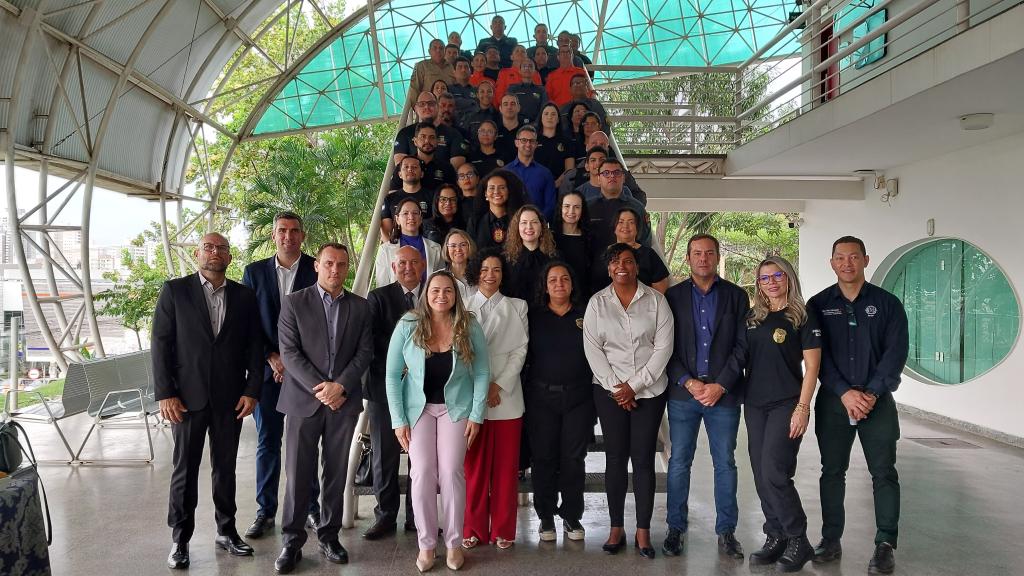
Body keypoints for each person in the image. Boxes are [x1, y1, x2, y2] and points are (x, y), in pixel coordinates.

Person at [153, 232, 263, 570]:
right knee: (184, 469)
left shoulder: (244, 296)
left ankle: (226, 531)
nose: (215, 252)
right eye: (208, 247)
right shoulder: (175, 291)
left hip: (230, 398)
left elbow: (255, 346)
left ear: (229, 257)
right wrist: (165, 393)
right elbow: (160, 343)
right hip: (186, 399)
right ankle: (180, 539)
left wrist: (252, 390)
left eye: (222, 248)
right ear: (198, 254)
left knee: (225, 468)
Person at [807, 236, 908, 575]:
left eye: (853, 257)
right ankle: (830, 539)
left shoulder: (888, 304)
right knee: (832, 472)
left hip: (877, 402)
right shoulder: (818, 305)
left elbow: (895, 354)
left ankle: (885, 544)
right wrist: (844, 393)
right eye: (840, 257)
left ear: (866, 260)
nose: (847, 263)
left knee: (884, 472)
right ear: (832, 263)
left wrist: (872, 394)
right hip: (834, 403)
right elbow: (817, 357)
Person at [273, 243, 373, 574]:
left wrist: (340, 386)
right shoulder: (294, 303)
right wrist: (323, 390)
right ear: (317, 265)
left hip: (342, 402)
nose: (335, 269)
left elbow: (365, 352)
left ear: (347, 268)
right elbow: (289, 354)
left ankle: (329, 536)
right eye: (329, 263)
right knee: (298, 474)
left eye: (341, 264)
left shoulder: (360, 306)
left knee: (336, 472)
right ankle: (292, 541)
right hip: (303, 402)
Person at [386, 270, 489, 572]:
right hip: (417, 409)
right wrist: (398, 419)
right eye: (435, 290)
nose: (441, 296)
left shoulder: (468, 324)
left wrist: (476, 415)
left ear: (455, 295)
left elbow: (482, 372)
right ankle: (427, 544)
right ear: (426, 294)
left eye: (447, 290)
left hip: (455, 409)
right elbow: (392, 375)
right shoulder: (408, 324)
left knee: (451, 471)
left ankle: (454, 543)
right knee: (422, 472)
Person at [583, 243, 673, 559]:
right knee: (616, 458)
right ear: (608, 269)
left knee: (644, 459)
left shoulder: (657, 301)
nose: (621, 266)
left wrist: (633, 386)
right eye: (615, 261)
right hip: (609, 393)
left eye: (628, 261)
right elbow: (593, 350)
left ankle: (643, 531)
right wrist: (618, 389)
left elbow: (663, 349)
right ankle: (616, 528)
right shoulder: (597, 303)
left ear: (636, 266)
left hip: (650, 391)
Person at [662, 234, 749, 560]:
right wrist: (687, 381)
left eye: (709, 253)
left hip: (723, 396)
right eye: (697, 253)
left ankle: (726, 532)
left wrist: (721, 385)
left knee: (724, 463)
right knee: (679, 462)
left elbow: (743, 346)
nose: (703, 258)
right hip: (683, 395)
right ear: (688, 258)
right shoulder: (672, 297)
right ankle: (675, 528)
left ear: (717, 257)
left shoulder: (736, 296)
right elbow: (664, 346)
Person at [737, 257, 821, 573]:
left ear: (789, 278)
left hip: (786, 403)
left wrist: (803, 408)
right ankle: (776, 535)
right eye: (764, 278)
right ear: (758, 284)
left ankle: (798, 538)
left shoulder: (802, 316)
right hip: (755, 404)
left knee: (775, 471)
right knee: (760, 474)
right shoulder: (753, 318)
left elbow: (812, 367)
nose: (771, 282)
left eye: (777, 276)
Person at [241, 213, 321, 540]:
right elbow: (247, 324)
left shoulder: (317, 268)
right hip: (267, 372)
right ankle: (265, 511)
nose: (288, 236)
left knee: (306, 444)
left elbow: (322, 322)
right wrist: (271, 357)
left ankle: (311, 507)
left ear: (303, 235)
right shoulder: (254, 272)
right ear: (273, 235)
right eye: (282, 231)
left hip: (305, 373)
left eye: (294, 231)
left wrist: (293, 362)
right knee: (268, 442)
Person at [463, 249, 529, 551]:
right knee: (473, 469)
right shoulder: (463, 305)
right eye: (485, 269)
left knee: (505, 470)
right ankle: (472, 528)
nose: (490, 275)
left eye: (497, 270)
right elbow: (458, 350)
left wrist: (497, 385)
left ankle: (503, 529)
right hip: (470, 395)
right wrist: (481, 387)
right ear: (476, 272)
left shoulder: (517, 305)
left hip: (507, 397)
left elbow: (520, 351)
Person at [525, 261, 593, 542]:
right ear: (545, 285)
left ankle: (572, 515)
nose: (559, 284)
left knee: (574, 459)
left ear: (572, 283)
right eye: (552, 280)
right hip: (541, 398)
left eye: (564, 279)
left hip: (579, 398)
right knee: (543, 458)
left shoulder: (586, 314)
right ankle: (545, 517)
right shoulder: (533, 316)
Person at [363, 247, 426, 540]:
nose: (408, 267)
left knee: (420, 457)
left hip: (423, 389)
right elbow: (370, 341)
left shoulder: (433, 295)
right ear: (393, 266)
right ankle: (385, 516)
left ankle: (417, 516)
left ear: (423, 265)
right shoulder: (378, 297)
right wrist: (401, 363)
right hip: (383, 387)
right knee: (384, 455)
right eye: (402, 263)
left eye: (414, 262)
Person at [592, 207, 668, 294]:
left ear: (637, 228)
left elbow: (660, 289)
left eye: (631, 222)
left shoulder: (649, 254)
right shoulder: (601, 253)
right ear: (614, 227)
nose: (625, 226)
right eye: (621, 222)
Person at [375, 197, 443, 287]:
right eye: (405, 213)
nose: (411, 217)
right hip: (396, 296)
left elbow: (441, 282)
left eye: (415, 213)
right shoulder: (385, 250)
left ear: (421, 218)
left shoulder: (436, 248)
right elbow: (382, 285)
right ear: (397, 219)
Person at [587, 158, 651, 249]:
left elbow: (645, 244)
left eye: (617, 173)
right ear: (598, 179)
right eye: (606, 173)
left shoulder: (637, 207)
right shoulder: (587, 207)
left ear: (623, 178)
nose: (612, 176)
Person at [393, 92, 467, 169]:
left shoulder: (453, 134)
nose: (426, 107)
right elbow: (401, 168)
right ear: (416, 109)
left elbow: (456, 170)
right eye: (422, 104)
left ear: (438, 107)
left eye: (431, 103)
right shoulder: (405, 133)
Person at [503, 204, 558, 301]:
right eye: (524, 222)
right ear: (517, 227)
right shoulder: (506, 258)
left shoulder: (554, 257)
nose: (529, 227)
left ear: (542, 226)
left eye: (534, 222)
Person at [506, 125, 557, 221]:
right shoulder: (505, 171)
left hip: (538, 225)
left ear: (536, 144)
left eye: (532, 141)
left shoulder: (545, 173)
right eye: (524, 140)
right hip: (510, 224)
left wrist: (536, 222)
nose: (528, 144)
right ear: (516, 143)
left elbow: (550, 205)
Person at [389, 122, 457, 192]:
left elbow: (453, 194)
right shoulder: (403, 166)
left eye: (432, 137)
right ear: (415, 141)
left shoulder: (447, 168)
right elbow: (393, 194)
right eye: (423, 137)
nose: (427, 141)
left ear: (437, 142)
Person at [471, 169, 527, 251]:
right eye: (492, 188)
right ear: (485, 193)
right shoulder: (475, 221)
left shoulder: (520, 220)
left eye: (502, 188)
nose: (496, 192)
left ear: (509, 192)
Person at [380, 155, 433, 240]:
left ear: (422, 174)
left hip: (427, 244)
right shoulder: (390, 199)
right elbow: (387, 231)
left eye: (414, 167)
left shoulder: (432, 196)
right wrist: (391, 247)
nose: (410, 169)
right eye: (406, 167)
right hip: (397, 245)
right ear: (400, 174)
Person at [551, 189, 592, 296]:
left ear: (582, 210)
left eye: (577, 207)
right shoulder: (549, 238)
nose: (571, 211)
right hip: (556, 294)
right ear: (560, 208)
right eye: (567, 206)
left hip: (583, 294)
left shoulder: (590, 238)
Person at [535, 102, 575, 188]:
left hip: (559, 188)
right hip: (535, 186)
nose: (549, 117)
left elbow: (569, 169)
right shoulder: (533, 140)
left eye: (553, 114)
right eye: (546, 114)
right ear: (541, 118)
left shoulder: (567, 141)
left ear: (558, 119)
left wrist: (555, 184)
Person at [409, 39, 454, 104]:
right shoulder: (422, 66)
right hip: (429, 106)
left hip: (448, 106)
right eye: (435, 48)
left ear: (445, 51)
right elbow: (415, 89)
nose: (438, 50)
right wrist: (417, 106)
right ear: (429, 51)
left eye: (441, 48)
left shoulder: (451, 66)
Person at [441, 228, 476, 301]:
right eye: (453, 246)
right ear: (447, 249)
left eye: (463, 245)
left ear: (469, 247)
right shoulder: (438, 277)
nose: (458, 249)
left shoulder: (480, 275)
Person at [495, 94, 530, 163]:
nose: (509, 107)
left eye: (513, 104)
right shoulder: (494, 131)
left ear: (519, 108)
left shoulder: (527, 131)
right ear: (500, 109)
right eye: (505, 104)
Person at [460, 80, 497, 146]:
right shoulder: (469, 115)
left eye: (489, 91)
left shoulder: (499, 115)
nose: (486, 94)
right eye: (482, 91)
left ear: (493, 94)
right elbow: (464, 138)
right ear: (477, 95)